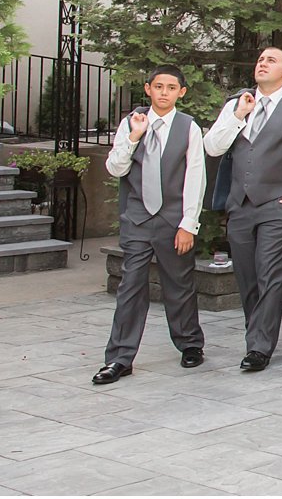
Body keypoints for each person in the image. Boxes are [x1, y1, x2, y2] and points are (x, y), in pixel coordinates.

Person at [202, 47, 282, 372]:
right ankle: (258, 336)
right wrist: (238, 115)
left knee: (270, 275)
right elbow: (213, 146)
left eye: (271, 60)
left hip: (279, 205)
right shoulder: (236, 105)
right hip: (239, 205)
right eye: (260, 59)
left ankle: (258, 348)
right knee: (247, 277)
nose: (262, 63)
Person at [91, 65, 206, 385]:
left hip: (173, 218)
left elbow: (195, 177)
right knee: (131, 286)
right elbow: (115, 168)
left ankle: (190, 343)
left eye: (171, 87)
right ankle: (119, 358)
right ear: (148, 89)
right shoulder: (132, 123)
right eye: (159, 86)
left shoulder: (189, 128)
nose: (164, 92)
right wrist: (133, 137)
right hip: (138, 218)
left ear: (181, 93)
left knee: (179, 284)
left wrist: (189, 223)